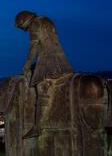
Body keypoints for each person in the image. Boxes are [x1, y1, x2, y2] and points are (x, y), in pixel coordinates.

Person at [15, 11, 73, 139]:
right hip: (60, 56)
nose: (24, 30)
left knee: (41, 88)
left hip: (47, 58)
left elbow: (33, 47)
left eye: (21, 27)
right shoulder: (47, 20)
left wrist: (28, 64)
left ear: (24, 22)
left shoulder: (34, 25)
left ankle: (38, 127)